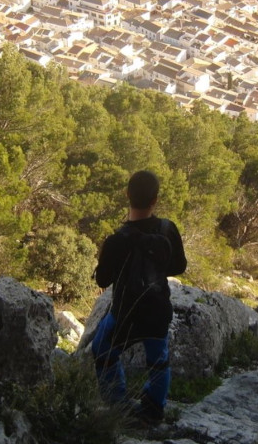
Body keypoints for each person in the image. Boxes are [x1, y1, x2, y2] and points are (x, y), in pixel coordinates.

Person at [91, 170, 187, 425]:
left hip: (125, 312)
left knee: (102, 349)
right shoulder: (168, 229)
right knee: (159, 359)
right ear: (155, 199)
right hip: (157, 310)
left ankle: (117, 404)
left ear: (127, 195)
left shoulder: (117, 240)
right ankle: (154, 409)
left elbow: (102, 280)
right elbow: (179, 266)